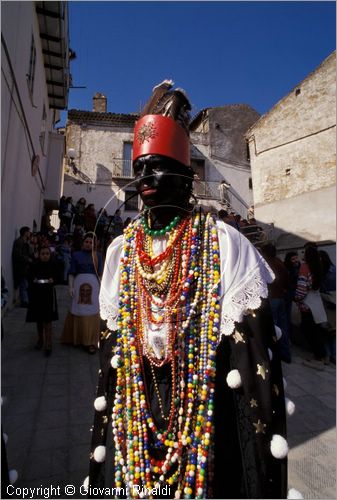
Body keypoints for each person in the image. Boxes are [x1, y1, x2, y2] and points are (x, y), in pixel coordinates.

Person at [87, 82, 288, 498]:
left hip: (203, 415)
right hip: (136, 412)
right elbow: (113, 355)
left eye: (156, 165)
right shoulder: (122, 251)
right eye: (139, 168)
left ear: (186, 174)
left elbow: (251, 363)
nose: (144, 179)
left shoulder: (223, 242)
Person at [61, 233, 103, 354]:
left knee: (91, 312)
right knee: (79, 311)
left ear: (94, 244)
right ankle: (77, 338)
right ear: (83, 242)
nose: (88, 244)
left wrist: (102, 289)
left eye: (91, 242)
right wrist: (70, 287)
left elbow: (100, 274)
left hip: (94, 288)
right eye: (86, 242)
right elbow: (72, 273)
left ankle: (90, 341)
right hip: (79, 287)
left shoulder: (98, 256)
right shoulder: (76, 255)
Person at [295, 244, 327, 369]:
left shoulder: (305, 267)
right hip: (316, 302)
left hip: (307, 304)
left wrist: (297, 298)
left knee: (308, 330)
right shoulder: (318, 267)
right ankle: (321, 355)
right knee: (316, 330)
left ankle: (319, 356)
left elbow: (302, 287)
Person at [260, 243, 292, 363]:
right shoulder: (279, 262)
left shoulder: (266, 264)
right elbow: (287, 280)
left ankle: (275, 355)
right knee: (283, 327)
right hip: (280, 298)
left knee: (273, 329)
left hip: (272, 298)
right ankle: (286, 354)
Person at [25, 246, 59, 355]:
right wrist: (33, 280)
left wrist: (53, 280)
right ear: (39, 255)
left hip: (48, 295)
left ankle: (48, 343)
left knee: (48, 319)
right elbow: (29, 276)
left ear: (50, 255)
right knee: (39, 319)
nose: (45, 256)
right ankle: (40, 340)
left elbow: (58, 277)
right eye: (43, 254)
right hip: (37, 295)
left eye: (47, 254)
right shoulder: (34, 266)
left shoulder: (53, 265)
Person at [319, 250, 336, 364]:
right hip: (331, 302)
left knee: (327, 330)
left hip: (327, 302)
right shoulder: (333, 269)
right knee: (331, 330)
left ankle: (329, 355)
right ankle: (332, 355)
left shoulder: (327, 271)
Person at [12, 226, 33, 307]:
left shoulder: (24, 242)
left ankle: (25, 300)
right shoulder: (19, 242)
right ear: (25, 232)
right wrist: (28, 259)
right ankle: (24, 302)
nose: (29, 233)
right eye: (28, 232)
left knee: (25, 284)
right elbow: (18, 255)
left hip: (24, 267)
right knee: (24, 284)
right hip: (20, 267)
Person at [283, 252, 301, 341]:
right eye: (293, 259)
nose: (295, 261)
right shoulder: (287, 268)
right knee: (287, 315)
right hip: (289, 293)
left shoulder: (298, 266)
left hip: (296, 291)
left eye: (296, 258)